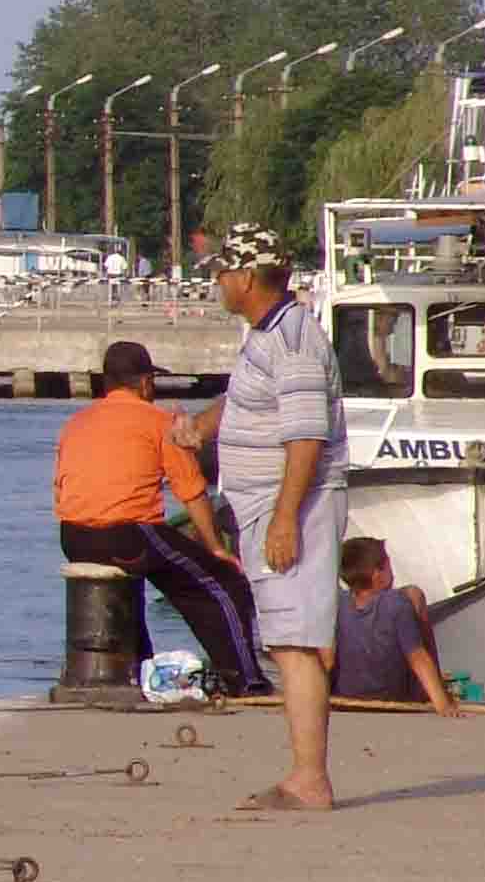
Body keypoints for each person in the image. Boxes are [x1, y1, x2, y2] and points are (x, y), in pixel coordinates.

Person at [173, 225, 346, 810]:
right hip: (265, 505)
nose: (218, 282)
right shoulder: (266, 336)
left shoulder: (293, 341)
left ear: (247, 278)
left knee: (295, 642)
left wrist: (284, 518)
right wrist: (203, 427)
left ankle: (309, 778)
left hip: (290, 503)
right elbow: (251, 400)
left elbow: (305, 435)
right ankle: (304, 774)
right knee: (284, 638)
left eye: (223, 272)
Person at [51, 338, 260, 692]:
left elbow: (60, 489)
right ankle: (246, 680)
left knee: (142, 579)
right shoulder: (160, 421)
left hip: (73, 537)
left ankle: (136, 666)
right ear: (146, 383)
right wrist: (215, 548)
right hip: (128, 535)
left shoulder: (75, 423)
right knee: (221, 584)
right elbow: (192, 492)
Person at [333, 536, 462, 712]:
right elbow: (417, 657)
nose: (392, 572)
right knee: (415, 594)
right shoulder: (396, 604)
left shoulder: (337, 603)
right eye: (388, 566)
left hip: (344, 697)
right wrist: (443, 704)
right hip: (391, 696)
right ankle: (429, 691)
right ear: (377, 574)